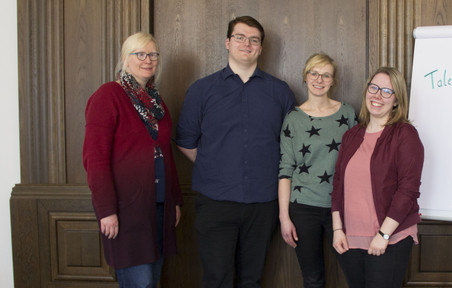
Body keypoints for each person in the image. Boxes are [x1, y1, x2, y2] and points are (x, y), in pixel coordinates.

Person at [175, 16, 295, 288]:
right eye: (240, 37)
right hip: (215, 201)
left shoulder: (280, 92)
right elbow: (185, 140)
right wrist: (214, 165)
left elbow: (291, 147)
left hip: (263, 202)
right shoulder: (202, 90)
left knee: (252, 279)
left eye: (254, 40)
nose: (247, 43)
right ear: (228, 43)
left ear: (261, 48)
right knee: (217, 279)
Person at [83, 32, 183, 287]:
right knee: (140, 284)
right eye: (140, 54)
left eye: (152, 54)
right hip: (127, 210)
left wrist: (174, 201)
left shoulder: (156, 102)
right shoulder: (108, 95)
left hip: (158, 208)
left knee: (153, 282)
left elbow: (165, 154)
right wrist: (106, 210)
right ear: (124, 59)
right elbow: (95, 159)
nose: (147, 60)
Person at [331, 67, 424, 288]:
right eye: (374, 88)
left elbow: (408, 191)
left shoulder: (405, 134)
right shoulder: (351, 135)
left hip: (389, 239)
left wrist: (383, 235)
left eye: (386, 91)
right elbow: (337, 185)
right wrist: (337, 230)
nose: (377, 95)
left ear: (396, 101)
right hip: (350, 240)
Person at [278, 53, 356, 288]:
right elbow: (285, 169)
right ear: (305, 76)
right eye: (314, 73)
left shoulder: (348, 114)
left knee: (355, 274)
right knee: (312, 279)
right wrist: (284, 217)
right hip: (303, 207)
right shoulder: (293, 118)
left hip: (343, 207)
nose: (319, 79)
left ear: (334, 81)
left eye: (326, 75)